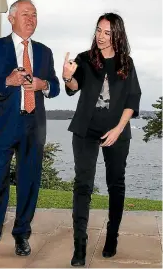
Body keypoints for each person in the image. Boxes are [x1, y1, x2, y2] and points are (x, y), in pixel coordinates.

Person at [0, 0, 60, 265]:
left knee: (29, 184)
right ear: (11, 18)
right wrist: (6, 81)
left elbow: (54, 86)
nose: (31, 19)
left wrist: (44, 84)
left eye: (34, 15)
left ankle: (22, 234)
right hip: (2, 127)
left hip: (34, 127)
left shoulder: (44, 52)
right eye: (25, 14)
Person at [62, 13, 141, 266]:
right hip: (86, 130)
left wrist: (118, 129)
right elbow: (74, 87)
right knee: (82, 186)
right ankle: (80, 246)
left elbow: (132, 99)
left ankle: (112, 237)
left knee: (115, 184)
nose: (101, 36)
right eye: (98, 30)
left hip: (116, 132)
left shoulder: (125, 62)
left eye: (107, 32)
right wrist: (67, 76)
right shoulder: (85, 58)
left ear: (117, 34)